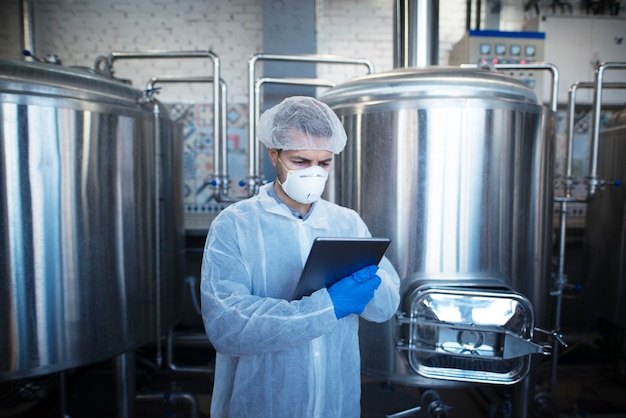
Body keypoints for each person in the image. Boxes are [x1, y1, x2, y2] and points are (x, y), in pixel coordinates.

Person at [200, 96, 401, 418]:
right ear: (274, 155)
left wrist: (372, 288)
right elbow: (228, 326)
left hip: (336, 401)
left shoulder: (346, 222)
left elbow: (386, 307)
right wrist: (327, 306)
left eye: (323, 163)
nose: (313, 173)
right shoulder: (236, 224)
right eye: (300, 161)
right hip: (263, 402)